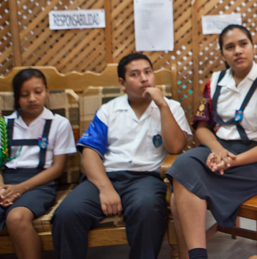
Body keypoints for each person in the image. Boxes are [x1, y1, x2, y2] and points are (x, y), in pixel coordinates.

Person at [167, 25, 257, 259]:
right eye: (230, 47)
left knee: (179, 191)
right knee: (183, 164)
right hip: (216, 151)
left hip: (253, 160)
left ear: (253, 46)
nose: (238, 51)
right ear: (222, 53)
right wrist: (218, 150)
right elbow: (202, 128)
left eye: (243, 44)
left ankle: (192, 256)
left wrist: (232, 161)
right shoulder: (214, 82)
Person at [52, 53, 191, 259]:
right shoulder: (109, 110)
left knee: (147, 210)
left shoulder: (171, 107)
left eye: (148, 72)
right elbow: (89, 153)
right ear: (122, 83)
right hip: (107, 177)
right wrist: (106, 188)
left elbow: (175, 147)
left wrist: (162, 105)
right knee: (67, 214)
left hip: (147, 178)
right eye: (135, 74)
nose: (144, 78)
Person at [0, 69, 76, 259]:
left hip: (39, 184)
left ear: (46, 91)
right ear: (17, 97)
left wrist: (20, 188)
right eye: (24, 94)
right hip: (2, 183)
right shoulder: (3, 126)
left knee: (16, 218)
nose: (32, 99)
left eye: (38, 92)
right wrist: (1, 190)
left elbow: (57, 168)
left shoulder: (58, 124)